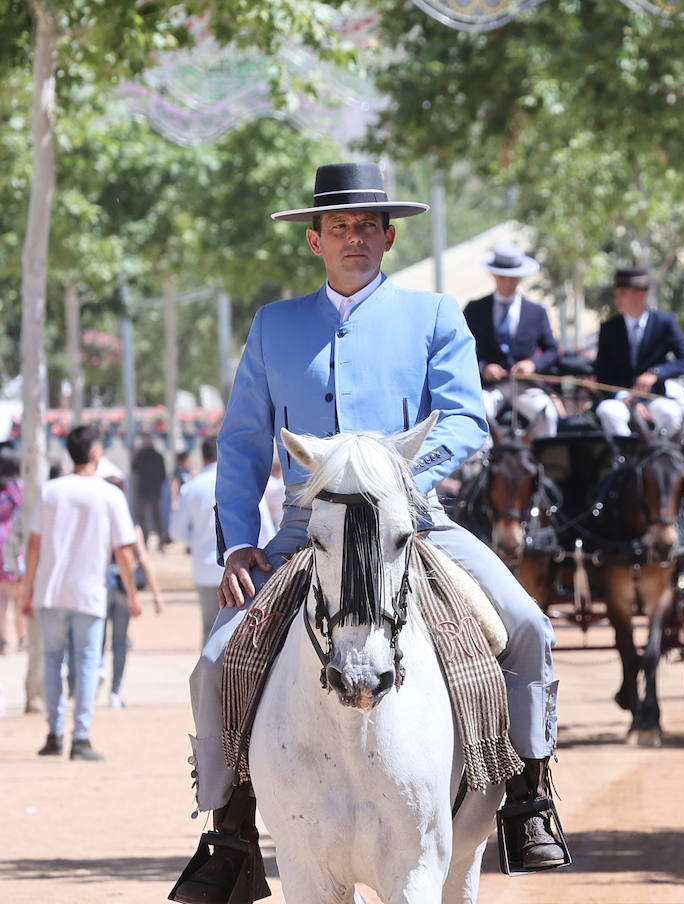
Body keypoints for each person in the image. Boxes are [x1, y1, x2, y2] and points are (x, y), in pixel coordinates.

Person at [171, 162, 564, 904]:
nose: (354, 237)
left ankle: (526, 798)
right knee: (216, 661)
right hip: (304, 530)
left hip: (414, 520)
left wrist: (396, 476)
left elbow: (466, 419)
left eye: (367, 226)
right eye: (339, 226)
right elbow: (243, 442)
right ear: (314, 240)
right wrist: (238, 543)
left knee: (527, 627)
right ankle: (230, 829)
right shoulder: (274, 326)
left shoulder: (435, 316)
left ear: (388, 237)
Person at [19, 425, 141, 761]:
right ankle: (81, 737)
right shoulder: (110, 494)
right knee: (88, 663)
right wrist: (132, 594)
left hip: (50, 591)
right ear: (96, 452)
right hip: (89, 593)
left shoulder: (50, 491)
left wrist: (27, 592)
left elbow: (33, 545)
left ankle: (54, 733)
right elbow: (124, 552)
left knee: (52, 661)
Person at [170, 435, 274, 643]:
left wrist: (196, 540)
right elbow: (267, 532)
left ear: (203, 458)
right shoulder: (245, 487)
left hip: (205, 569)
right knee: (244, 632)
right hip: (244, 570)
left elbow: (176, 532)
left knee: (210, 633)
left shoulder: (191, 488)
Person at [464, 241, 564, 439]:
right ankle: (484, 459)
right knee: (475, 414)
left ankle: (542, 458)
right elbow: (461, 350)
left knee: (548, 415)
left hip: (525, 387)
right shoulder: (475, 310)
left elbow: (552, 350)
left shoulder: (536, 312)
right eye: (503, 276)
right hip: (489, 388)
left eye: (513, 277)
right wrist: (483, 367)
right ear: (494, 275)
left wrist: (532, 364)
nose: (508, 282)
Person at [593, 267, 684, 438]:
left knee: (670, 413)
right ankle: (627, 453)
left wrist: (655, 373)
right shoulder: (609, 329)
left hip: (655, 398)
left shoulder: (664, 323)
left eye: (623, 293)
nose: (617, 298)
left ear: (640, 294)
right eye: (617, 292)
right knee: (607, 411)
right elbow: (602, 375)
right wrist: (624, 397)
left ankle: (658, 450)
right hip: (622, 400)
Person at [102, 521, 165, 708]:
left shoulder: (99, 518)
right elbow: (143, 559)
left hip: (100, 583)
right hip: (124, 584)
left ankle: (95, 674)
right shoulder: (131, 525)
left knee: (95, 639)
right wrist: (156, 594)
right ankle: (115, 692)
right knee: (120, 642)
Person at [0, 447, 24, 655]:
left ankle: (4, 641)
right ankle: (23, 638)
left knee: (3, 598)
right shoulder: (16, 488)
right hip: (14, 543)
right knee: (18, 595)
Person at [130, 434, 167, 550]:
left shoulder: (146, 455)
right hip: (151, 490)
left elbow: (134, 468)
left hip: (147, 490)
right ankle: (153, 541)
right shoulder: (150, 455)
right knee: (152, 517)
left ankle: (152, 541)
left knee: (148, 517)